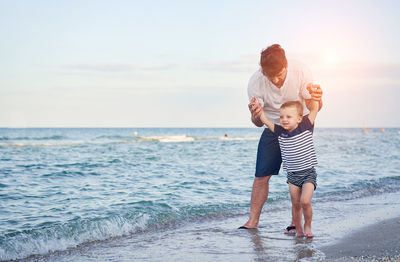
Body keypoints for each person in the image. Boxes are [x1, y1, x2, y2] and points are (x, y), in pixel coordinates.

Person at [240, 44, 322, 231]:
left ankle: (296, 224)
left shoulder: (301, 70)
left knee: (299, 174)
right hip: (273, 127)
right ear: (263, 71)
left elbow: (313, 106)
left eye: (280, 74)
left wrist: (317, 97)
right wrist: (255, 114)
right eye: (271, 76)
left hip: (298, 126)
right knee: (261, 175)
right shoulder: (255, 82)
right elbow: (258, 122)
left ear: (286, 65)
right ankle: (252, 222)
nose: (276, 80)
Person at [259, 99, 320, 237]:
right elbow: (267, 121)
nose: (284, 120)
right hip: (292, 177)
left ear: (299, 118)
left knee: (305, 201)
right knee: (296, 204)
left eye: (288, 116)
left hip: (308, 173)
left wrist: (314, 96)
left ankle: (308, 226)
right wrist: (259, 109)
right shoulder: (280, 131)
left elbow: (314, 110)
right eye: (281, 117)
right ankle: (298, 229)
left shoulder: (306, 126)